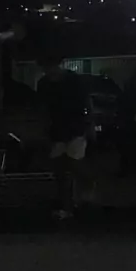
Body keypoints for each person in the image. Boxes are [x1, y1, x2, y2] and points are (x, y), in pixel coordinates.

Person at [37, 55, 93, 219]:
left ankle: (78, 196)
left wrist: (89, 122)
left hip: (75, 128)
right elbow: (43, 108)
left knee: (73, 163)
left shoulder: (73, 80)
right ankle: (67, 203)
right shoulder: (45, 84)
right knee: (61, 169)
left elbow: (86, 101)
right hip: (58, 130)